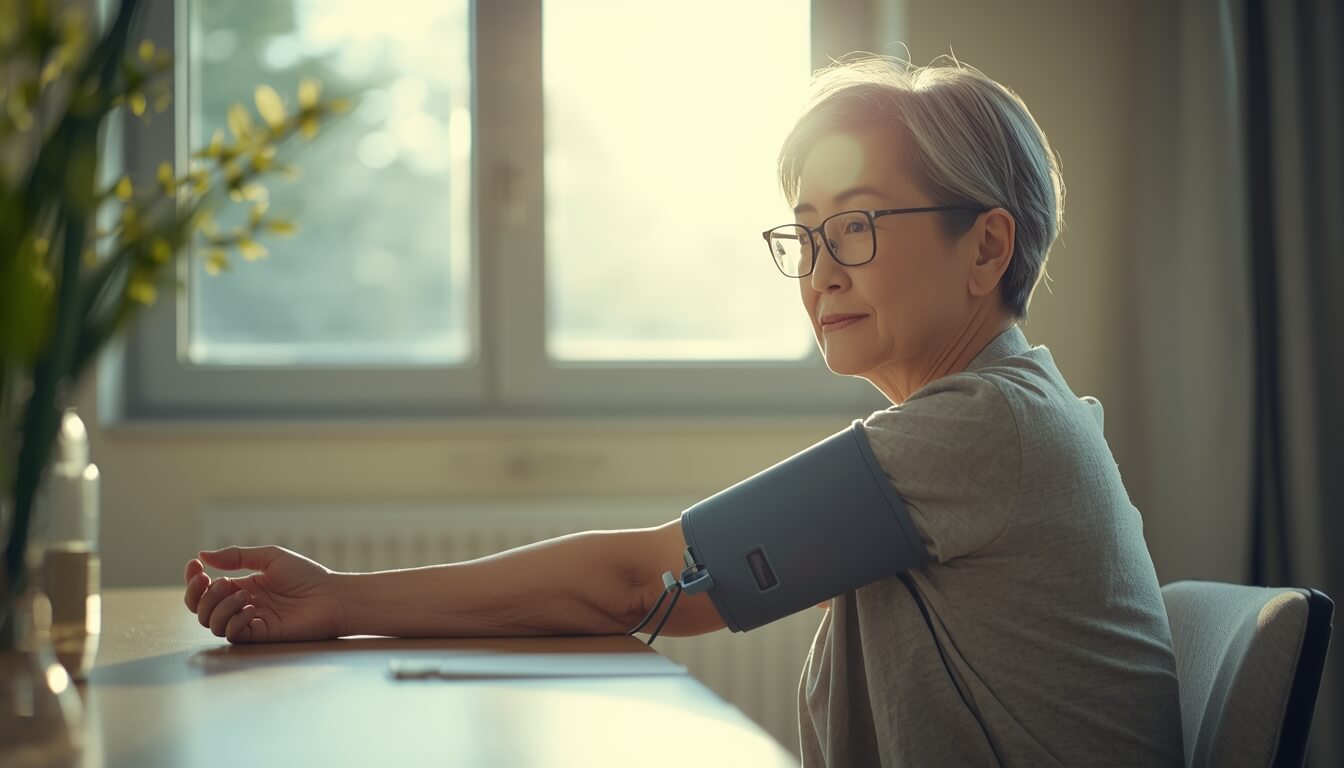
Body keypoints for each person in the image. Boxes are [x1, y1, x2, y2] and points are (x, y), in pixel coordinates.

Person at [183, 55, 1183, 766]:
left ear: (987, 247)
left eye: (857, 227)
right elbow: (667, 591)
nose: (820, 271)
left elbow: (645, 584)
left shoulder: (987, 428)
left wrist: (340, 603)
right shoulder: (1006, 417)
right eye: (805, 236)